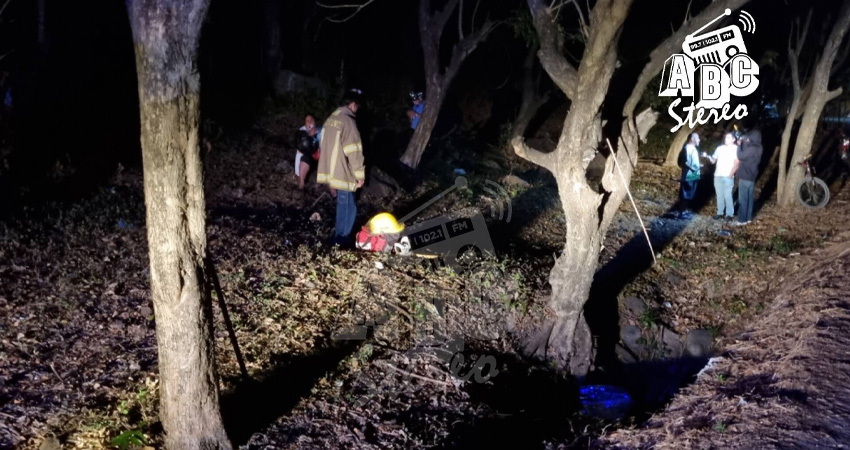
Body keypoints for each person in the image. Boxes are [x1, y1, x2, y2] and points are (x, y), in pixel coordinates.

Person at [317, 89, 366, 245]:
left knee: (346, 204)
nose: (357, 109)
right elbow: (354, 151)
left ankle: (341, 236)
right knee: (347, 207)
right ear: (352, 104)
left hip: (331, 171)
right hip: (343, 172)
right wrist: (359, 175)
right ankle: (340, 239)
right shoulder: (348, 122)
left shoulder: (330, 119)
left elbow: (322, 146)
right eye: (357, 106)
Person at [703, 132, 739, 221]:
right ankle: (720, 213)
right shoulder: (719, 148)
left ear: (733, 140)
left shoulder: (736, 149)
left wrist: (731, 175)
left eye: (729, 138)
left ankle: (729, 214)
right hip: (718, 174)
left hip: (728, 175)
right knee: (719, 195)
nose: (726, 139)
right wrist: (707, 156)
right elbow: (713, 161)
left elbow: (737, 163)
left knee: (727, 195)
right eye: (726, 137)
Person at [735, 130, 763, 226]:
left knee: (743, 199)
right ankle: (748, 218)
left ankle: (741, 220)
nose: (747, 139)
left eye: (749, 137)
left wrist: (739, 146)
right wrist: (744, 142)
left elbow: (741, 156)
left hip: (745, 175)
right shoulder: (759, 147)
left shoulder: (752, 148)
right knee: (750, 198)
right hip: (752, 176)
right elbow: (748, 150)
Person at [677, 132, 702, 219]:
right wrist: (694, 168)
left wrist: (699, 166)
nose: (699, 140)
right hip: (689, 174)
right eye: (697, 138)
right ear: (692, 139)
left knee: (690, 193)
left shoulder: (693, 149)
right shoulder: (687, 148)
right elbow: (686, 162)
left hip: (693, 174)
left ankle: (684, 211)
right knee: (686, 193)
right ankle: (682, 212)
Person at [294, 114, 321, 190]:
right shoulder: (302, 131)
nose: (309, 122)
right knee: (304, 157)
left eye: (311, 120)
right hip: (310, 156)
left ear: (315, 122)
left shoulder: (321, 129)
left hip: (321, 155)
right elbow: (299, 152)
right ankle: (301, 182)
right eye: (307, 121)